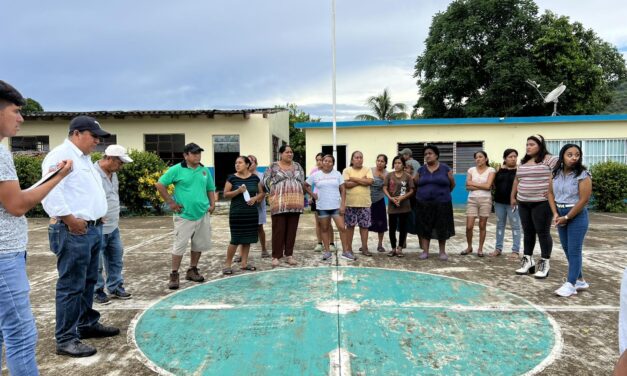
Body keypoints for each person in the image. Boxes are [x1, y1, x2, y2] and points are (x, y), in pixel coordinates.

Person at [0, 80, 73, 372]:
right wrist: (58, 178)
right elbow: (16, 205)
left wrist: (48, 178)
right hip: (4, 255)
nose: (22, 118)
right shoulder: (0, 152)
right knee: (20, 332)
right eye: (16, 111)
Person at [42, 115, 120, 357]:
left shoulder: (84, 158)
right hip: (73, 230)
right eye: (93, 135)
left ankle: (86, 323)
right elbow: (50, 192)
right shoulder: (60, 156)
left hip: (92, 229)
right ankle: (66, 338)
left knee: (88, 282)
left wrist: (98, 213)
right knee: (71, 285)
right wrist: (69, 219)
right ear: (76, 133)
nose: (97, 141)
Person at [156, 143, 217, 289]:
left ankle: (192, 269)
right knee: (179, 246)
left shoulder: (204, 170)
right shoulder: (177, 169)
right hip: (184, 215)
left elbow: (210, 188)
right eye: (194, 153)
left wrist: (212, 204)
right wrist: (171, 202)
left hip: (202, 213)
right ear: (185, 155)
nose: (197, 156)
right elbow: (160, 184)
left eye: (199, 153)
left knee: (198, 244)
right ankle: (174, 274)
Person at [511, 134, 558, 278]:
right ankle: (528, 261)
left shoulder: (550, 159)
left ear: (540, 145)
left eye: (532, 144)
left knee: (542, 232)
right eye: (527, 144)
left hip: (542, 203)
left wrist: (552, 193)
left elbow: (559, 176)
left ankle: (544, 263)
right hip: (523, 202)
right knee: (528, 232)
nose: (528, 147)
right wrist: (513, 196)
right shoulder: (524, 162)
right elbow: (517, 180)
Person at [548, 144, 592, 297]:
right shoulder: (555, 173)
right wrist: (555, 214)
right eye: (570, 154)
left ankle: (571, 284)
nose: (574, 157)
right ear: (562, 156)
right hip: (560, 213)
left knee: (574, 250)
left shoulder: (583, 174)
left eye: (577, 155)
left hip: (576, 215)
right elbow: (550, 193)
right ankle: (579, 280)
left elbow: (584, 199)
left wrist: (567, 217)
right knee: (567, 250)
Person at [93, 145, 133, 305]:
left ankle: (115, 286)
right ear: (109, 158)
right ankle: (97, 290)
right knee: (96, 263)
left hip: (113, 225)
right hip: (97, 226)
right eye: (120, 162)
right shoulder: (92, 173)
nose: (121, 166)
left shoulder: (113, 174)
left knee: (116, 257)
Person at [263, 145, 305, 267]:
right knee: (278, 230)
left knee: (292, 230)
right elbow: (265, 181)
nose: (290, 154)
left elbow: (302, 181)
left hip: (295, 203)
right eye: (287, 152)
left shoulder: (297, 166)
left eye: (291, 152)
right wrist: (273, 193)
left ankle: (289, 255)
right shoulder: (273, 166)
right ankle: (276, 256)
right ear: (281, 154)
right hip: (279, 203)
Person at [223, 156, 265, 275]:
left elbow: (262, 193)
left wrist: (255, 198)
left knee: (247, 239)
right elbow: (226, 194)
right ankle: (227, 265)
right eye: (236, 163)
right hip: (237, 213)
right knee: (235, 239)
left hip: (251, 213)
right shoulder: (232, 178)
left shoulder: (254, 178)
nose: (237, 165)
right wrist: (237, 191)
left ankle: (244, 264)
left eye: (240, 163)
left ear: (247, 165)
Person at [414, 144, 456, 260]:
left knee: (441, 227)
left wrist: (443, 194)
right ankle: (425, 251)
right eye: (425, 154)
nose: (427, 156)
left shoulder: (445, 168)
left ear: (436, 155)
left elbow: (452, 184)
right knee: (424, 227)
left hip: (442, 203)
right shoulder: (421, 170)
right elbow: (415, 183)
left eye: (430, 153)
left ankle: (442, 252)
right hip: (423, 203)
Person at [304, 154, 349, 261]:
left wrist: (343, 204)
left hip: (336, 206)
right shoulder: (316, 175)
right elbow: (305, 185)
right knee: (324, 229)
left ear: (333, 163)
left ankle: (346, 252)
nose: (327, 163)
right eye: (325, 161)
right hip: (322, 206)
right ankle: (327, 252)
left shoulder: (337, 174)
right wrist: (313, 194)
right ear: (322, 162)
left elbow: (343, 189)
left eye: (330, 161)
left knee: (342, 228)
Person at [233, 154, 269, 262]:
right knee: (243, 228)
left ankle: (264, 249)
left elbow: (264, 191)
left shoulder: (261, 176)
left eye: (252, 162)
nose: (249, 164)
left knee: (259, 227)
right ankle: (240, 254)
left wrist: (257, 199)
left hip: (258, 205)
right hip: (244, 207)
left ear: (255, 164)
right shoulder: (240, 175)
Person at [461, 151, 495, 257]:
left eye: (480, 157)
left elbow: (488, 186)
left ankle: (480, 249)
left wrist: (473, 184)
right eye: (476, 157)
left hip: (486, 200)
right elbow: (467, 186)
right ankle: (469, 247)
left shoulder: (491, 170)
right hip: (472, 199)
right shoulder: (471, 170)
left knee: (482, 225)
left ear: (486, 158)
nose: (478, 159)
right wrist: (482, 185)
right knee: (469, 226)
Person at [343, 151, 374, 258]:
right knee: (350, 227)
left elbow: (370, 182)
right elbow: (346, 184)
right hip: (350, 204)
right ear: (352, 160)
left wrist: (354, 179)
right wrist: (362, 180)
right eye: (356, 157)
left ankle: (365, 248)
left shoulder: (367, 169)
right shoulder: (347, 170)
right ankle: (349, 249)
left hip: (365, 204)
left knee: (364, 227)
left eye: (361, 157)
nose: (359, 159)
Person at [491, 149, 521, 258]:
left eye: (515, 156)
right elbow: (493, 185)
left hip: (514, 203)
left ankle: (515, 250)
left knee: (516, 226)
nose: (513, 158)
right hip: (499, 202)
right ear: (505, 159)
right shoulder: (499, 170)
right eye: (510, 157)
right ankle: (498, 249)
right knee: (500, 225)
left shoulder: (520, 170)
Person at [383, 156, 415, 257]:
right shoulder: (389, 175)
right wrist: (391, 198)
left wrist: (402, 198)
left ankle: (400, 248)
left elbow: (412, 190)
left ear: (403, 165)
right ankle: (393, 248)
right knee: (392, 228)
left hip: (404, 206)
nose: (397, 165)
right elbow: (384, 188)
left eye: (399, 163)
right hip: (392, 205)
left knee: (403, 228)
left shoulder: (407, 176)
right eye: (395, 163)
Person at [310, 152, 336, 252]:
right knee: (318, 223)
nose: (319, 162)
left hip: (328, 199)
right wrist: (311, 196)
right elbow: (308, 185)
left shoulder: (331, 172)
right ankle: (319, 243)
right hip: (317, 199)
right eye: (317, 160)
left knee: (328, 223)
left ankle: (331, 243)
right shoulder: (314, 171)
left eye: (320, 160)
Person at [369, 154, 388, 253]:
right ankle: (364, 244)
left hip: (380, 200)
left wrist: (383, 177)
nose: (379, 163)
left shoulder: (387, 174)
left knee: (381, 223)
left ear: (385, 163)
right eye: (378, 161)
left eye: (382, 161)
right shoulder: (370, 170)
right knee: (366, 223)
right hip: (368, 200)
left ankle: (380, 244)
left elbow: (389, 186)